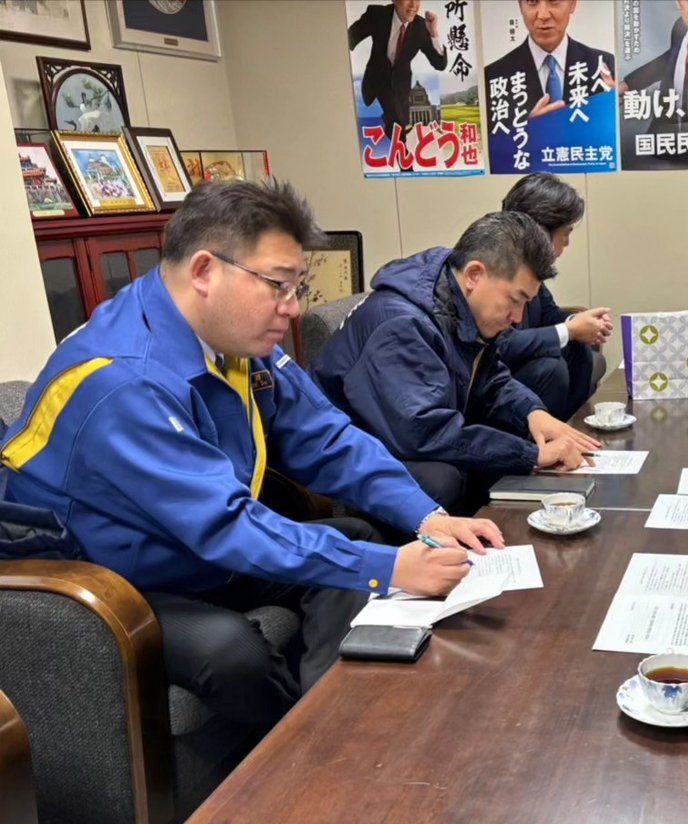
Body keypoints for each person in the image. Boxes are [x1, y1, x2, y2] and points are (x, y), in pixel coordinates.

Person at [1, 180, 502, 732]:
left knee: (358, 540)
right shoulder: (122, 382)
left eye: (298, 287)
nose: (293, 307)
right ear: (204, 271)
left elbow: (325, 437)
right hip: (111, 573)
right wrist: (391, 568)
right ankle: (302, 753)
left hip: (187, 541)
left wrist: (426, 516)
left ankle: (344, 714)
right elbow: (224, 524)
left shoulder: (230, 338)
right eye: (278, 285)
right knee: (231, 650)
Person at [311, 210, 601, 515]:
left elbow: (490, 378)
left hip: (401, 432)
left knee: (511, 441)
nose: (518, 317)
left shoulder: (455, 301)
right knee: (443, 479)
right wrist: (530, 455)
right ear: (474, 274)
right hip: (348, 455)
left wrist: (533, 413)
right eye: (515, 300)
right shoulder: (403, 324)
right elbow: (424, 430)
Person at [498, 173, 612, 419]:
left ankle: (574, 427)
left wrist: (578, 324)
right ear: (539, 231)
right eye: (565, 233)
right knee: (550, 368)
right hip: (492, 378)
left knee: (578, 349)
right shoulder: (496, 268)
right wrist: (569, 331)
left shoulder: (530, 267)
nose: (567, 243)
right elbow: (500, 344)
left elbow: (548, 313)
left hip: (519, 364)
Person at [484, 0, 616, 122]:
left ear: (572, 4)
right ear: (520, 5)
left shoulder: (604, 66)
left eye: (554, 1)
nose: (543, 15)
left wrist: (616, 114)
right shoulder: (492, 77)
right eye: (532, 1)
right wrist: (530, 129)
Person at [348, 0, 446, 141]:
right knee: (399, 125)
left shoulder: (421, 26)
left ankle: (389, 123)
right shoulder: (377, 15)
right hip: (378, 79)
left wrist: (433, 32)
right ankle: (403, 152)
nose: (413, 5)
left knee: (401, 122)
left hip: (402, 83)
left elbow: (440, 64)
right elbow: (347, 40)